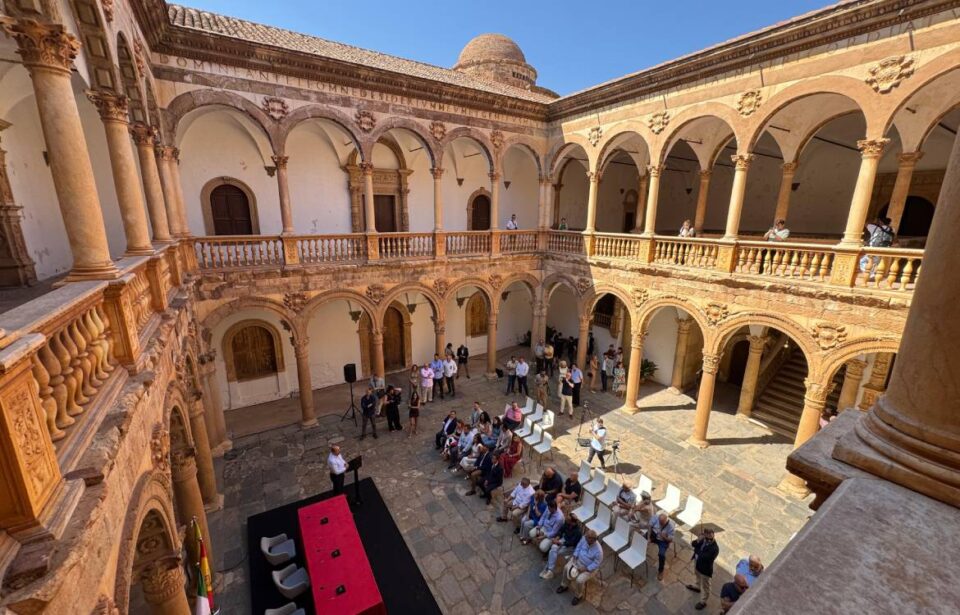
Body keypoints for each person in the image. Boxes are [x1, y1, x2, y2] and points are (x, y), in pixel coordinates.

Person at [556, 530, 603, 606]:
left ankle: (578, 596)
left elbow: (596, 564)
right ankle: (564, 585)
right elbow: (578, 547)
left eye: (588, 539)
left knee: (579, 580)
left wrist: (586, 569)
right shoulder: (584, 538)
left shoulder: (599, 551)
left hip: (588, 568)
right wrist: (575, 555)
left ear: (593, 540)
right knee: (566, 568)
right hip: (577, 560)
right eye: (586, 537)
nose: (585, 539)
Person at [540, 512, 582, 579]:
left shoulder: (578, 532)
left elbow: (571, 543)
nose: (566, 520)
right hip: (564, 540)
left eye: (568, 519)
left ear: (572, 522)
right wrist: (557, 538)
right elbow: (561, 531)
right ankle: (550, 571)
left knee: (555, 552)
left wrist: (559, 543)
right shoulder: (567, 523)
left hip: (571, 547)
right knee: (553, 548)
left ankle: (547, 569)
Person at [686, 528, 719, 610]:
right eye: (706, 538)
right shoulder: (702, 539)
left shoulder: (715, 548)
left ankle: (703, 601)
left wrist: (697, 550)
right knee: (697, 575)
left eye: (710, 538)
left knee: (706, 585)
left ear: (713, 535)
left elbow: (705, 557)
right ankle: (697, 587)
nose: (708, 540)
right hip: (697, 563)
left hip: (705, 569)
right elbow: (693, 544)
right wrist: (697, 540)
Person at [649, 512, 675, 581]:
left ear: (666, 520)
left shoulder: (670, 527)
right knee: (642, 538)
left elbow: (670, 539)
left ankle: (661, 571)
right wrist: (649, 537)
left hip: (662, 541)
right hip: (654, 536)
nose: (660, 524)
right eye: (659, 522)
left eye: (662, 522)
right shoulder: (656, 518)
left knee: (661, 554)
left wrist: (664, 537)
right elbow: (650, 526)